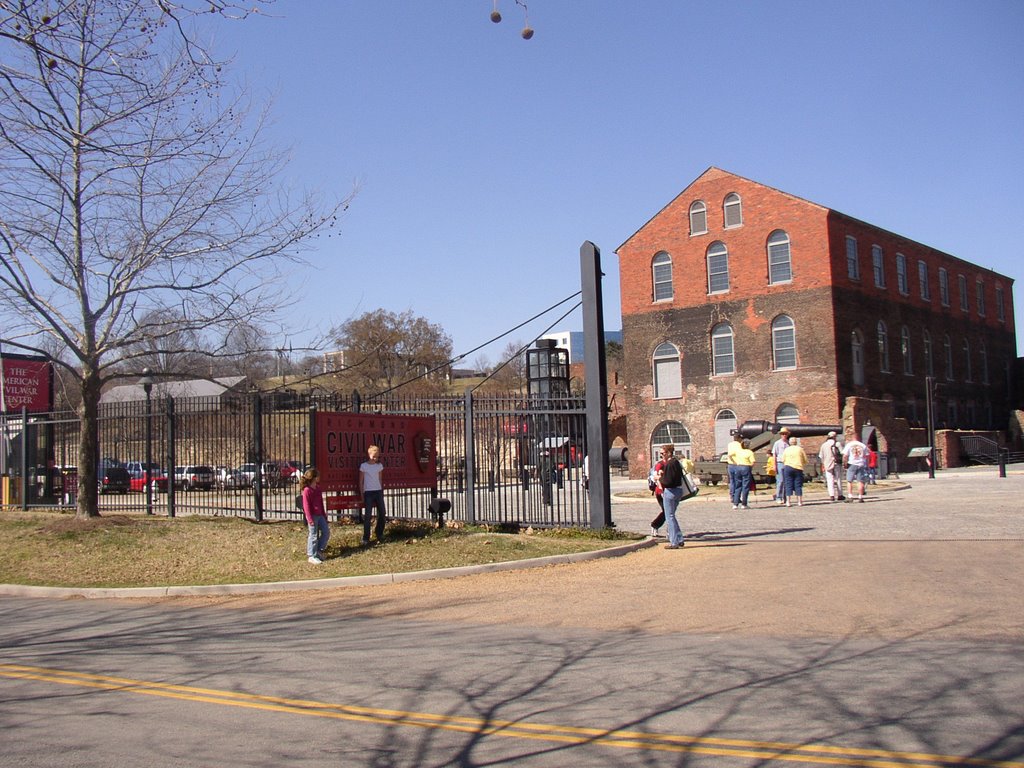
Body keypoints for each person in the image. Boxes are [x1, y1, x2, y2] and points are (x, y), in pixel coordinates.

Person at [657, 445, 686, 549]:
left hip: (670, 491)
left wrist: (659, 478)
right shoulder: (676, 462)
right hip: (678, 490)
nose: (661, 455)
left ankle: (674, 542)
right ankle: (679, 538)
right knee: (672, 515)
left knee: (669, 517)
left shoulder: (670, 464)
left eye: (663, 453)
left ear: (669, 453)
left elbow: (668, 481)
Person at [299, 468, 329, 564]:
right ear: (314, 478)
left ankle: (319, 550)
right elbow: (306, 506)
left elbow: (321, 502)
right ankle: (311, 555)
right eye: (317, 476)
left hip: (320, 515)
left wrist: (324, 515)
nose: (319, 478)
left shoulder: (318, 488)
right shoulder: (307, 490)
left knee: (326, 532)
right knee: (313, 535)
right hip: (312, 516)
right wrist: (309, 518)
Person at [359, 444, 387, 545]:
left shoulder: (379, 466)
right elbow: (361, 481)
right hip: (368, 492)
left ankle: (379, 533)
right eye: (373, 456)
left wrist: (381, 490)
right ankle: (366, 537)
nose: (375, 458)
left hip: (378, 491)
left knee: (382, 513)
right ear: (369, 454)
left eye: (377, 456)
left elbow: (380, 479)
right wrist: (362, 494)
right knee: (368, 515)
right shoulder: (364, 466)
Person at [781, 436, 808, 506]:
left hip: (788, 467)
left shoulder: (786, 449)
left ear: (789, 443)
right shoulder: (800, 449)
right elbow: (805, 459)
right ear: (796, 442)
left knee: (788, 484)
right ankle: (799, 501)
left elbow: (782, 459)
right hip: (798, 467)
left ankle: (788, 502)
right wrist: (802, 463)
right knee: (798, 484)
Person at [842, 433, 869, 502]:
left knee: (849, 480)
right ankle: (860, 497)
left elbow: (845, 455)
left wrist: (844, 463)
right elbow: (867, 456)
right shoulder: (863, 445)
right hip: (861, 464)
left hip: (852, 463)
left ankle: (850, 496)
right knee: (860, 481)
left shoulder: (849, 445)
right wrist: (865, 463)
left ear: (852, 438)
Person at [818, 431, 843, 502]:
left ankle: (831, 495)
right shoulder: (837, 444)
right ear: (835, 437)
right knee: (838, 479)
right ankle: (840, 494)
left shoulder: (824, 445)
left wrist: (823, 464)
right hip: (836, 463)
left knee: (829, 479)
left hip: (827, 463)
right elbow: (842, 453)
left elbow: (821, 456)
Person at [731, 439, 755, 509]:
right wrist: (750, 467)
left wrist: (734, 462)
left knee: (738, 486)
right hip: (746, 467)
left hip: (738, 467)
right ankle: (744, 504)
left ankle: (735, 504)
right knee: (745, 486)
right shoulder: (750, 452)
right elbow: (753, 462)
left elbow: (730, 455)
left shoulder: (738, 451)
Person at [772, 427, 791, 504]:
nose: (784, 435)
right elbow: (774, 454)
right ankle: (778, 497)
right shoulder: (777, 443)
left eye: (785, 434)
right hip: (779, 462)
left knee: (786, 481)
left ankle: (785, 497)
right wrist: (774, 465)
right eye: (783, 434)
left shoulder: (788, 443)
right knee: (780, 481)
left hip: (787, 463)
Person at [725, 431, 742, 505]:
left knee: (732, 481)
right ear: (738, 438)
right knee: (738, 481)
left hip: (730, 464)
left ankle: (732, 496)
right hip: (736, 464)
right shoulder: (739, 445)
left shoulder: (729, 444)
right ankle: (737, 497)